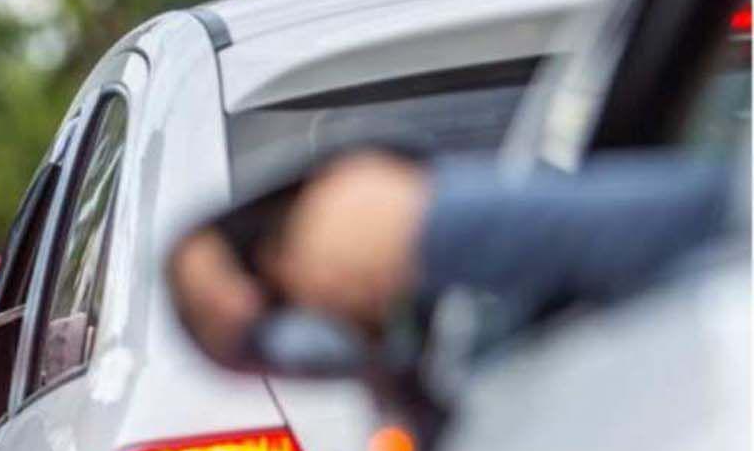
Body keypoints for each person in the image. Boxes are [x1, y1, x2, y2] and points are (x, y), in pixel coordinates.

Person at [170, 149, 734, 355]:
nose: (243, 303)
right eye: (215, 314)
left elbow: (699, 211)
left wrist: (418, 229)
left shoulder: (419, 234)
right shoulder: (461, 328)